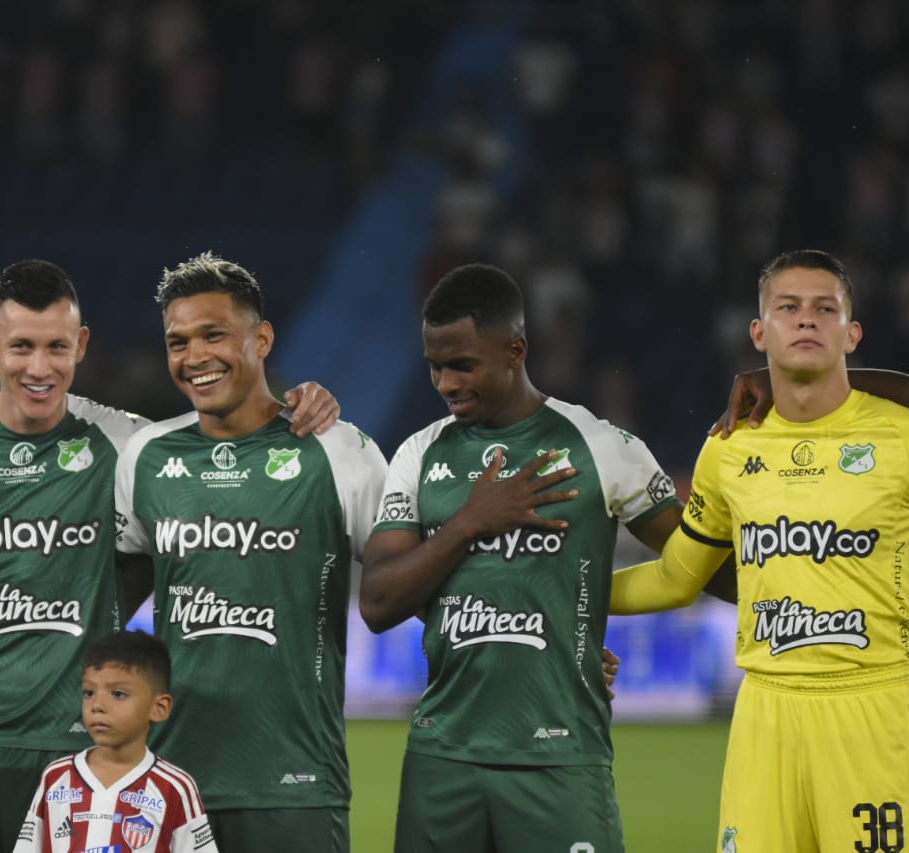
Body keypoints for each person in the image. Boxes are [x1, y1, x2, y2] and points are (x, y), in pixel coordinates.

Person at [0, 259, 339, 853]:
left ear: (81, 346)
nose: (39, 367)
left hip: (83, 750)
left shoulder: (130, 444)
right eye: (21, 347)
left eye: (57, 347)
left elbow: (226, 436)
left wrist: (305, 401)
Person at [359, 262, 692, 853]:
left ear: (515, 349)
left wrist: (574, 621)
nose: (445, 383)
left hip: (561, 757)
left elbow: (701, 565)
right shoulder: (419, 454)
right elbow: (380, 601)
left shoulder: (600, 447)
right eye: (435, 365)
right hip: (443, 757)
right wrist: (471, 522)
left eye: (463, 364)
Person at [609, 249, 909, 853]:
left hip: (877, 705)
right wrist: (562, 590)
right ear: (758, 331)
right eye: (788, 308)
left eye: (825, 309)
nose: (806, 321)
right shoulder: (727, 448)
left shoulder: (898, 433)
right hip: (764, 714)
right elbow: (677, 578)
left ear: (852, 334)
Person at [114, 252, 389, 853]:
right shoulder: (146, 456)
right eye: (178, 341)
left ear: (261, 338)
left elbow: (408, 586)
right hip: (168, 788)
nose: (194, 357)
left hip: (297, 787)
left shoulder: (340, 451)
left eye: (214, 334)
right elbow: (108, 601)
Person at [12, 630, 218, 853]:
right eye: (89, 692)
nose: (97, 705)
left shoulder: (176, 787)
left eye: (118, 694)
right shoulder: (56, 777)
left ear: (159, 708)